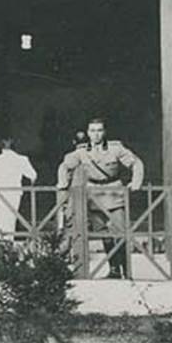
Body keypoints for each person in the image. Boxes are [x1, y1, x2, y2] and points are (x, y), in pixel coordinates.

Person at [57, 118, 144, 279]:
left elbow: (136, 163)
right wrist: (63, 185)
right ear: (88, 133)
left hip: (113, 194)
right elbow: (65, 166)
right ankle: (114, 270)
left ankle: (126, 270)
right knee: (104, 234)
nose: (96, 134)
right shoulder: (82, 151)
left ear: (104, 132)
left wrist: (136, 182)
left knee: (120, 233)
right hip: (93, 196)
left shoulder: (115, 149)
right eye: (92, 131)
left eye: (99, 130)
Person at [0, 137, 38, 240]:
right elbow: (33, 175)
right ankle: (9, 240)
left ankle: (1, 241)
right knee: (11, 218)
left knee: (0, 219)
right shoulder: (21, 159)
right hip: (14, 193)